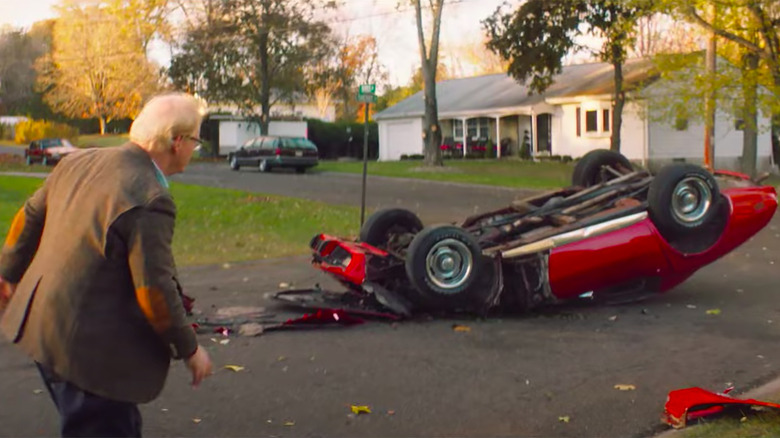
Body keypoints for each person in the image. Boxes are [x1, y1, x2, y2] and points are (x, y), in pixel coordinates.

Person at [0, 92, 213, 437]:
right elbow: (153, 289)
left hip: (41, 331)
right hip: (88, 358)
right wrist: (189, 348)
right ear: (177, 142)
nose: (194, 148)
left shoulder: (78, 161)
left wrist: (7, 273)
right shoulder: (150, 197)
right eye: (195, 141)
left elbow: (28, 217)